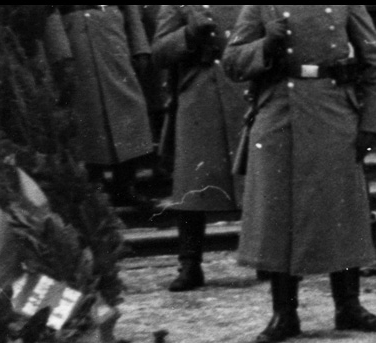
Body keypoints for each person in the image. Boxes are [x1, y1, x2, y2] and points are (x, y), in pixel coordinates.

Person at [223, 5, 376, 343]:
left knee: (340, 210)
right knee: (278, 216)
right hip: (278, 112)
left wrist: (372, 123)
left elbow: (374, 60)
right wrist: (265, 48)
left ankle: (349, 306)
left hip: (333, 109)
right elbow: (232, 61)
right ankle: (284, 314)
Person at [152, 5, 248, 291]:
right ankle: (190, 264)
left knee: (259, 179)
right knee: (191, 184)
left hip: (245, 91)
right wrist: (189, 34)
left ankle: (267, 258)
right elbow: (159, 52)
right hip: (198, 95)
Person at [49, 5, 157, 207]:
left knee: (128, 106)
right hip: (75, 36)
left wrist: (140, 46)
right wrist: (61, 52)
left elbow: (130, 10)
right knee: (87, 111)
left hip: (112, 33)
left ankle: (125, 185)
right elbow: (50, 12)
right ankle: (92, 188)